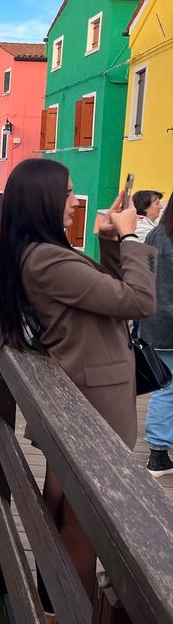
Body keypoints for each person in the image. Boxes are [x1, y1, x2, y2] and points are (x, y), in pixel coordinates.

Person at [0, 158, 156, 610]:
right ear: (45, 201)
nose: (74, 202)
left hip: (82, 393)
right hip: (95, 402)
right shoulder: (47, 259)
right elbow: (138, 301)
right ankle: (73, 622)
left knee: (65, 503)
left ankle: (51, 604)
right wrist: (130, 236)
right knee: (85, 522)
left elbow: (107, 297)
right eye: (68, 194)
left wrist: (109, 243)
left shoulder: (41, 252)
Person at [139, 199, 173, 476]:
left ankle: (160, 451)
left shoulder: (155, 233)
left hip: (152, 322)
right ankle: (158, 454)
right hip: (169, 326)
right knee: (168, 390)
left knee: (165, 387)